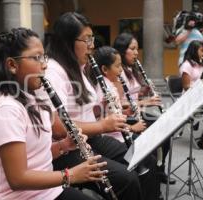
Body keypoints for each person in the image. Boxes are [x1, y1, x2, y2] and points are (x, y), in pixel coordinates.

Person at [0, 27, 107, 200]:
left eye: (43, 56)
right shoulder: (5, 110)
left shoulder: (31, 99)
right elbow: (18, 178)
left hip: (48, 192)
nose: (44, 64)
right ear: (12, 65)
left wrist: (64, 146)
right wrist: (71, 175)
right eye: (36, 57)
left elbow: (35, 159)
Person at [45, 12, 158, 200]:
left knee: (146, 159)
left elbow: (87, 109)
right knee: (127, 179)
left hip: (91, 138)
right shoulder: (54, 71)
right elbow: (57, 127)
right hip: (68, 147)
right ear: (67, 41)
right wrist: (103, 125)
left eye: (92, 39)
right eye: (87, 40)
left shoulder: (77, 66)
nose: (92, 45)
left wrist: (113, 112)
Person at [113, 32, 175, 187]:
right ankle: (151, 172)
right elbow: (119, 103)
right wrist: (146, 102)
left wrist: (144, 92)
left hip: (137, 112)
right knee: (155, 133)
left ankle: (159, 169)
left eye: (137, 49)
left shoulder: (132, 69)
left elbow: (134, 95)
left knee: (165, 132)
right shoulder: (118, 72)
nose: (136, 52)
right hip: (127, 117)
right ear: (122, 50)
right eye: (132, 49)